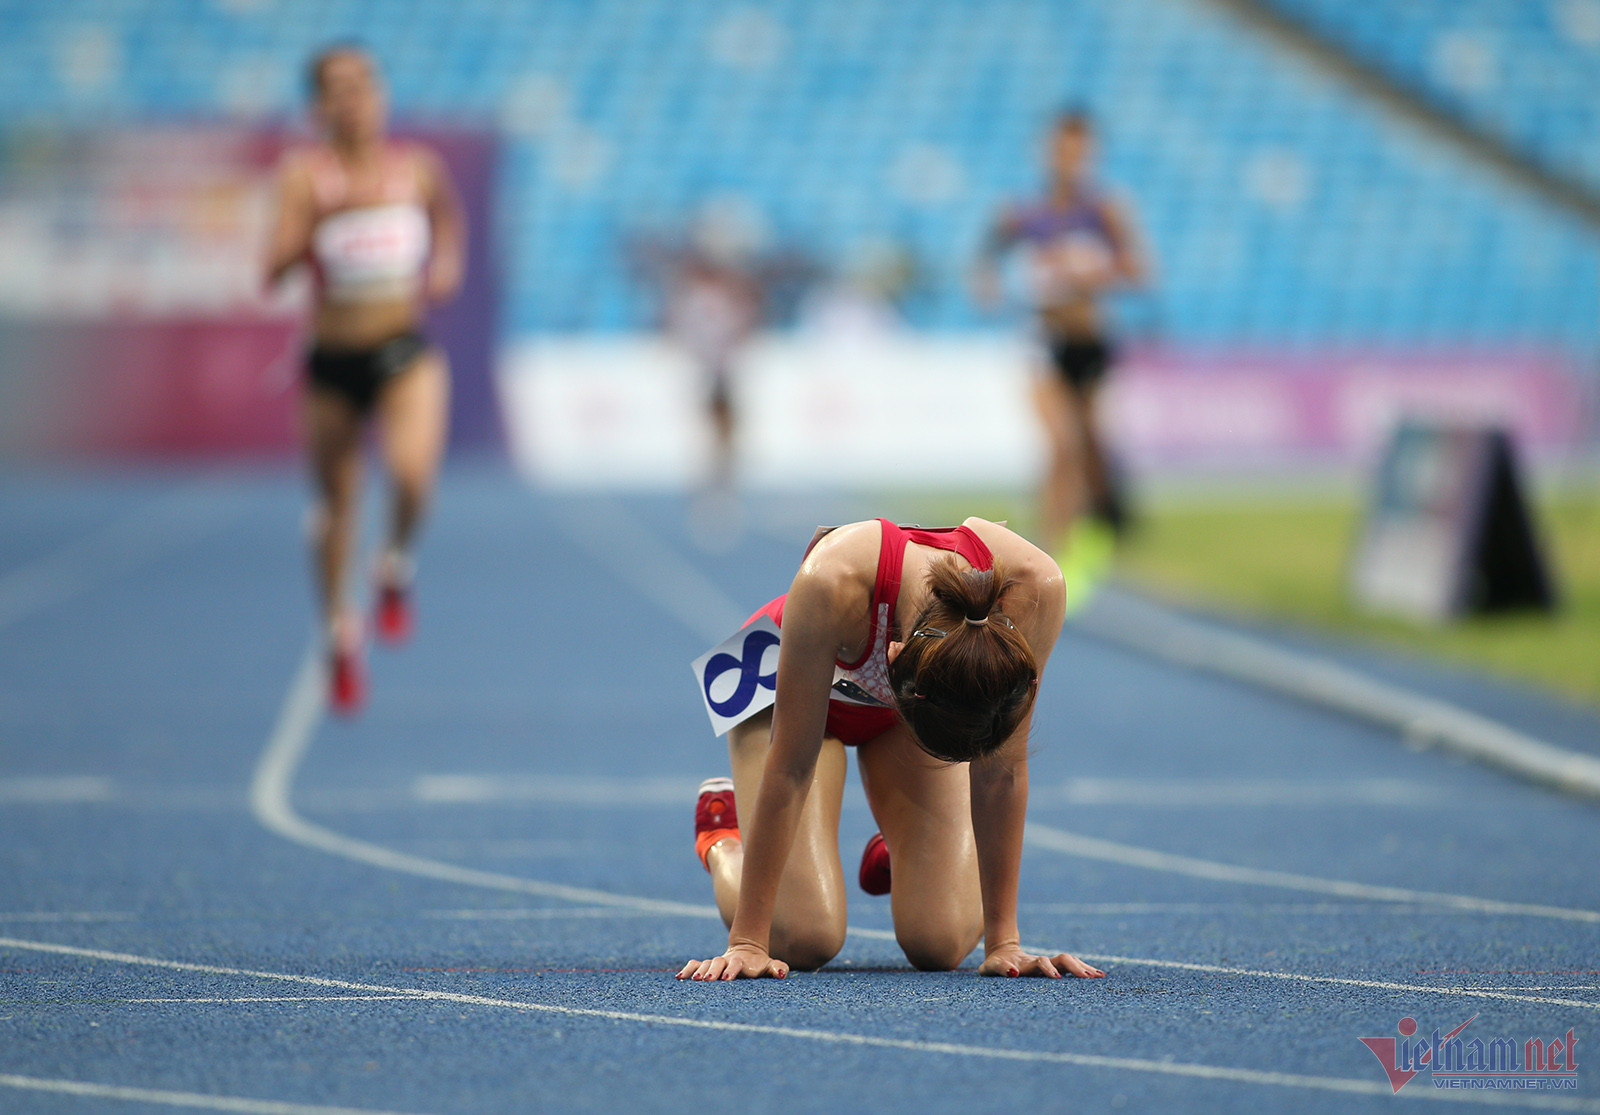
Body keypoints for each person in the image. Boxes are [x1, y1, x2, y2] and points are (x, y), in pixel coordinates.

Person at [678, 517, 1105, 981]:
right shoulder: (833, 578)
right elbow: (791, 767)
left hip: (921, 700)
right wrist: (748, 942)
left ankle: (905, 849)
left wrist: (1005, 943)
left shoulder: (1036, 587)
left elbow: (1001, 769)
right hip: (781, 693)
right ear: (894, 657)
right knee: (804, 937)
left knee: (940, 943)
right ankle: (723, 838)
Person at [264, 44, 465, 714]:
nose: (352, 99)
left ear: (380, 95)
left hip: (402, 350)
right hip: (333, 361)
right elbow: (271, 270)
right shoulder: (305, 177)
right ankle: (338, 633)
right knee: (336, 508)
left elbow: (449, 219)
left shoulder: (417, 169)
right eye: (337, 88)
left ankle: (395, 562)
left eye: (363, 85)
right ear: (318, 105)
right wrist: (314, 228)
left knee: (413, 476)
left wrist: (446, 265)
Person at [973, 110, 1147, 566]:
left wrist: (1091, 271)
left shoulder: (1103, 209)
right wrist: (988, 283)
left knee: (1089, 446)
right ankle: (1048, 551)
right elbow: (987, 252)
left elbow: (1139, 270)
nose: (1069, 159)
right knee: (1061, 445)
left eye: (1078, 151)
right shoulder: (1025, 211)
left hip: (1088, 339)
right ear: (1047, 151)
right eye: (1061, 150)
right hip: (1043, 339)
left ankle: (1100, 523)